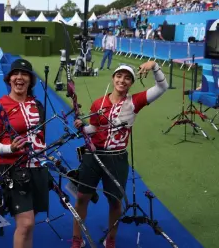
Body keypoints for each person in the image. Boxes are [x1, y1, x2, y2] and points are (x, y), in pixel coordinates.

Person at [70, 61, 168, 248]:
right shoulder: (98, 102)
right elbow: (94, 128)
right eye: (119, 76)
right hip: (93, 156)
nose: (122, 80)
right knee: (82, 197)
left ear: (131, 82)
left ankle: (111, 238)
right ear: (113, 78)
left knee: (115, 202)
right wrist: (82, 127)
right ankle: (77, 238)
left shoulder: (135, 101)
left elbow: (162, 87)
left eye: (127, 78)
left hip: (117, 157)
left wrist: (154, 66)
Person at [0, 59, 49, 248]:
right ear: (9, 79)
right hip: (13, 169)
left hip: (38, 167)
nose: (19, 78)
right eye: (15, 74)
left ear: (30, 80)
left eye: (25, 74)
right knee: (25, 222)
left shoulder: (37, 105)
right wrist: (9, 148)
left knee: (30, 224)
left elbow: (41, 136)